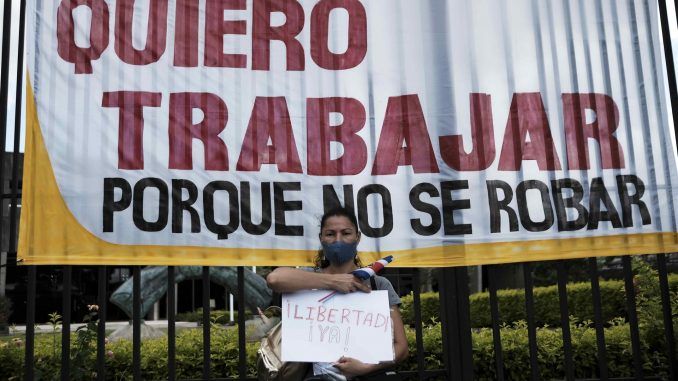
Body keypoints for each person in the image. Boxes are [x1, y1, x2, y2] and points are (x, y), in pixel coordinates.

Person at [266, 207, 408, 380]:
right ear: (321, 238)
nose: (338, 240)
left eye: (346, 233)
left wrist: (365, 367)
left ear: (358, 237)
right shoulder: (306, 278)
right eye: (330, 234)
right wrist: (333, 281)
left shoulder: (377, 284)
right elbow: (274, 279)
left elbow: (401, 347)